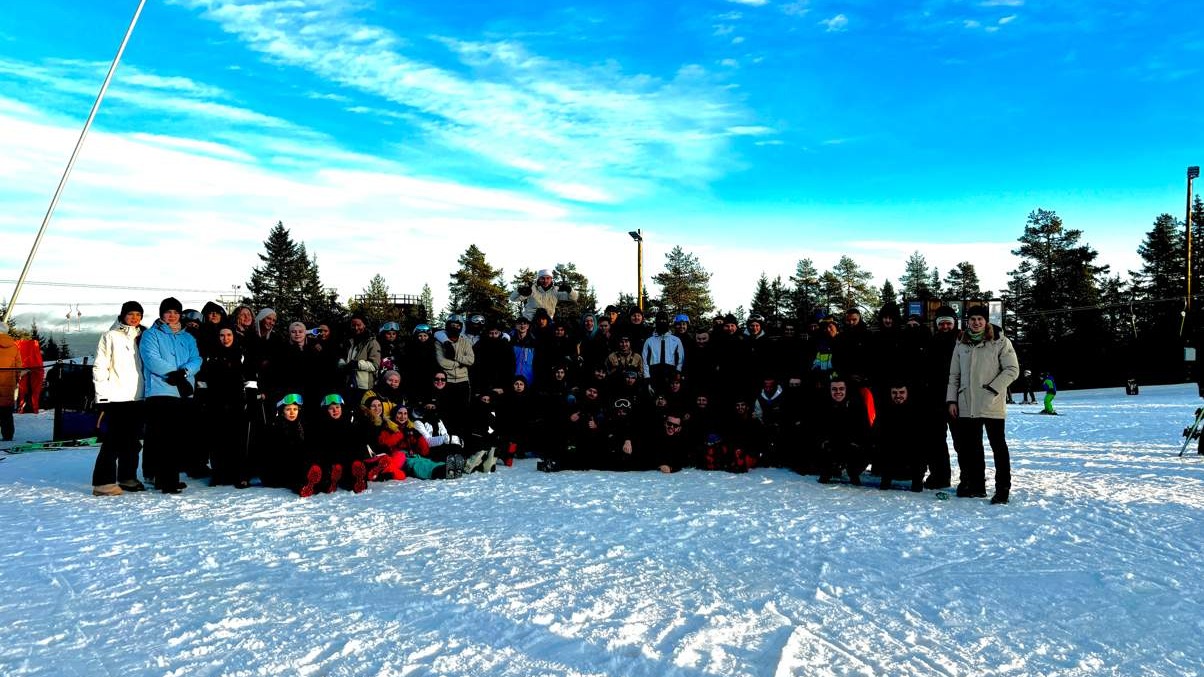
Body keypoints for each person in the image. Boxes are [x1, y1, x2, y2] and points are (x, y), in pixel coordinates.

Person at [947, 305, 1019, 505]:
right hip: (967, 404)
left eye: (980, 319)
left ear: (986, 321)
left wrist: (993, 388)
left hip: (992, 403)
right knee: (972, 448)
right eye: (972, 319)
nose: (976, 323)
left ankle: (1002, 488)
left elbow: (1012, 369)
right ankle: (977, 486)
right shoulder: (961, 343)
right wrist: (952, 400)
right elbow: (954, 375)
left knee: (998, 447)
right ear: (967, 322)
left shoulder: (1000, 341)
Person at [139, 297, 202, 494]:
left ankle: (171, 476)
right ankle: (164, 479)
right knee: (162, 437)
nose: (172, 316)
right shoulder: (151, 335)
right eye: (168, 312)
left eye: (175, 312)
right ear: (161, 314)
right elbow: (151, 359)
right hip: (160, 391)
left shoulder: (187, 337)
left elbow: (196, 359)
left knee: (177, 438)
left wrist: (184, 374)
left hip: (183, 393)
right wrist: (174, 374)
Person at [90, 302, 145, 496]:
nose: (135, 318)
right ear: (122, 315)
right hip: (116, 397)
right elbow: (100, 366)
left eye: (138, 314)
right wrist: (103, 397)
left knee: (132, 441)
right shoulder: (110, 336)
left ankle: (127, 477)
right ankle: (103, 482)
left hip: (138, 397)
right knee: (113, 441)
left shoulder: (142, 336)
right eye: (131, 314)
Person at [510, 268, 579, 321]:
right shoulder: (532, 289)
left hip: (547, 321)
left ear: (551, 279)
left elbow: (574, 298)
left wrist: (570, 290)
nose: (545, 281)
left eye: (548, 278)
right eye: (542, 278)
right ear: (539, 279)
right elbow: (513, 299)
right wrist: (519, 290)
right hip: (530, 320)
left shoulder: (556, 290)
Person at [0, 324, 23, 442]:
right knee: (6, 412)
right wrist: (17, 380)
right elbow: (19, 367)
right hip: (8, 385)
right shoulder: (14, 347)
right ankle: (8, 435)